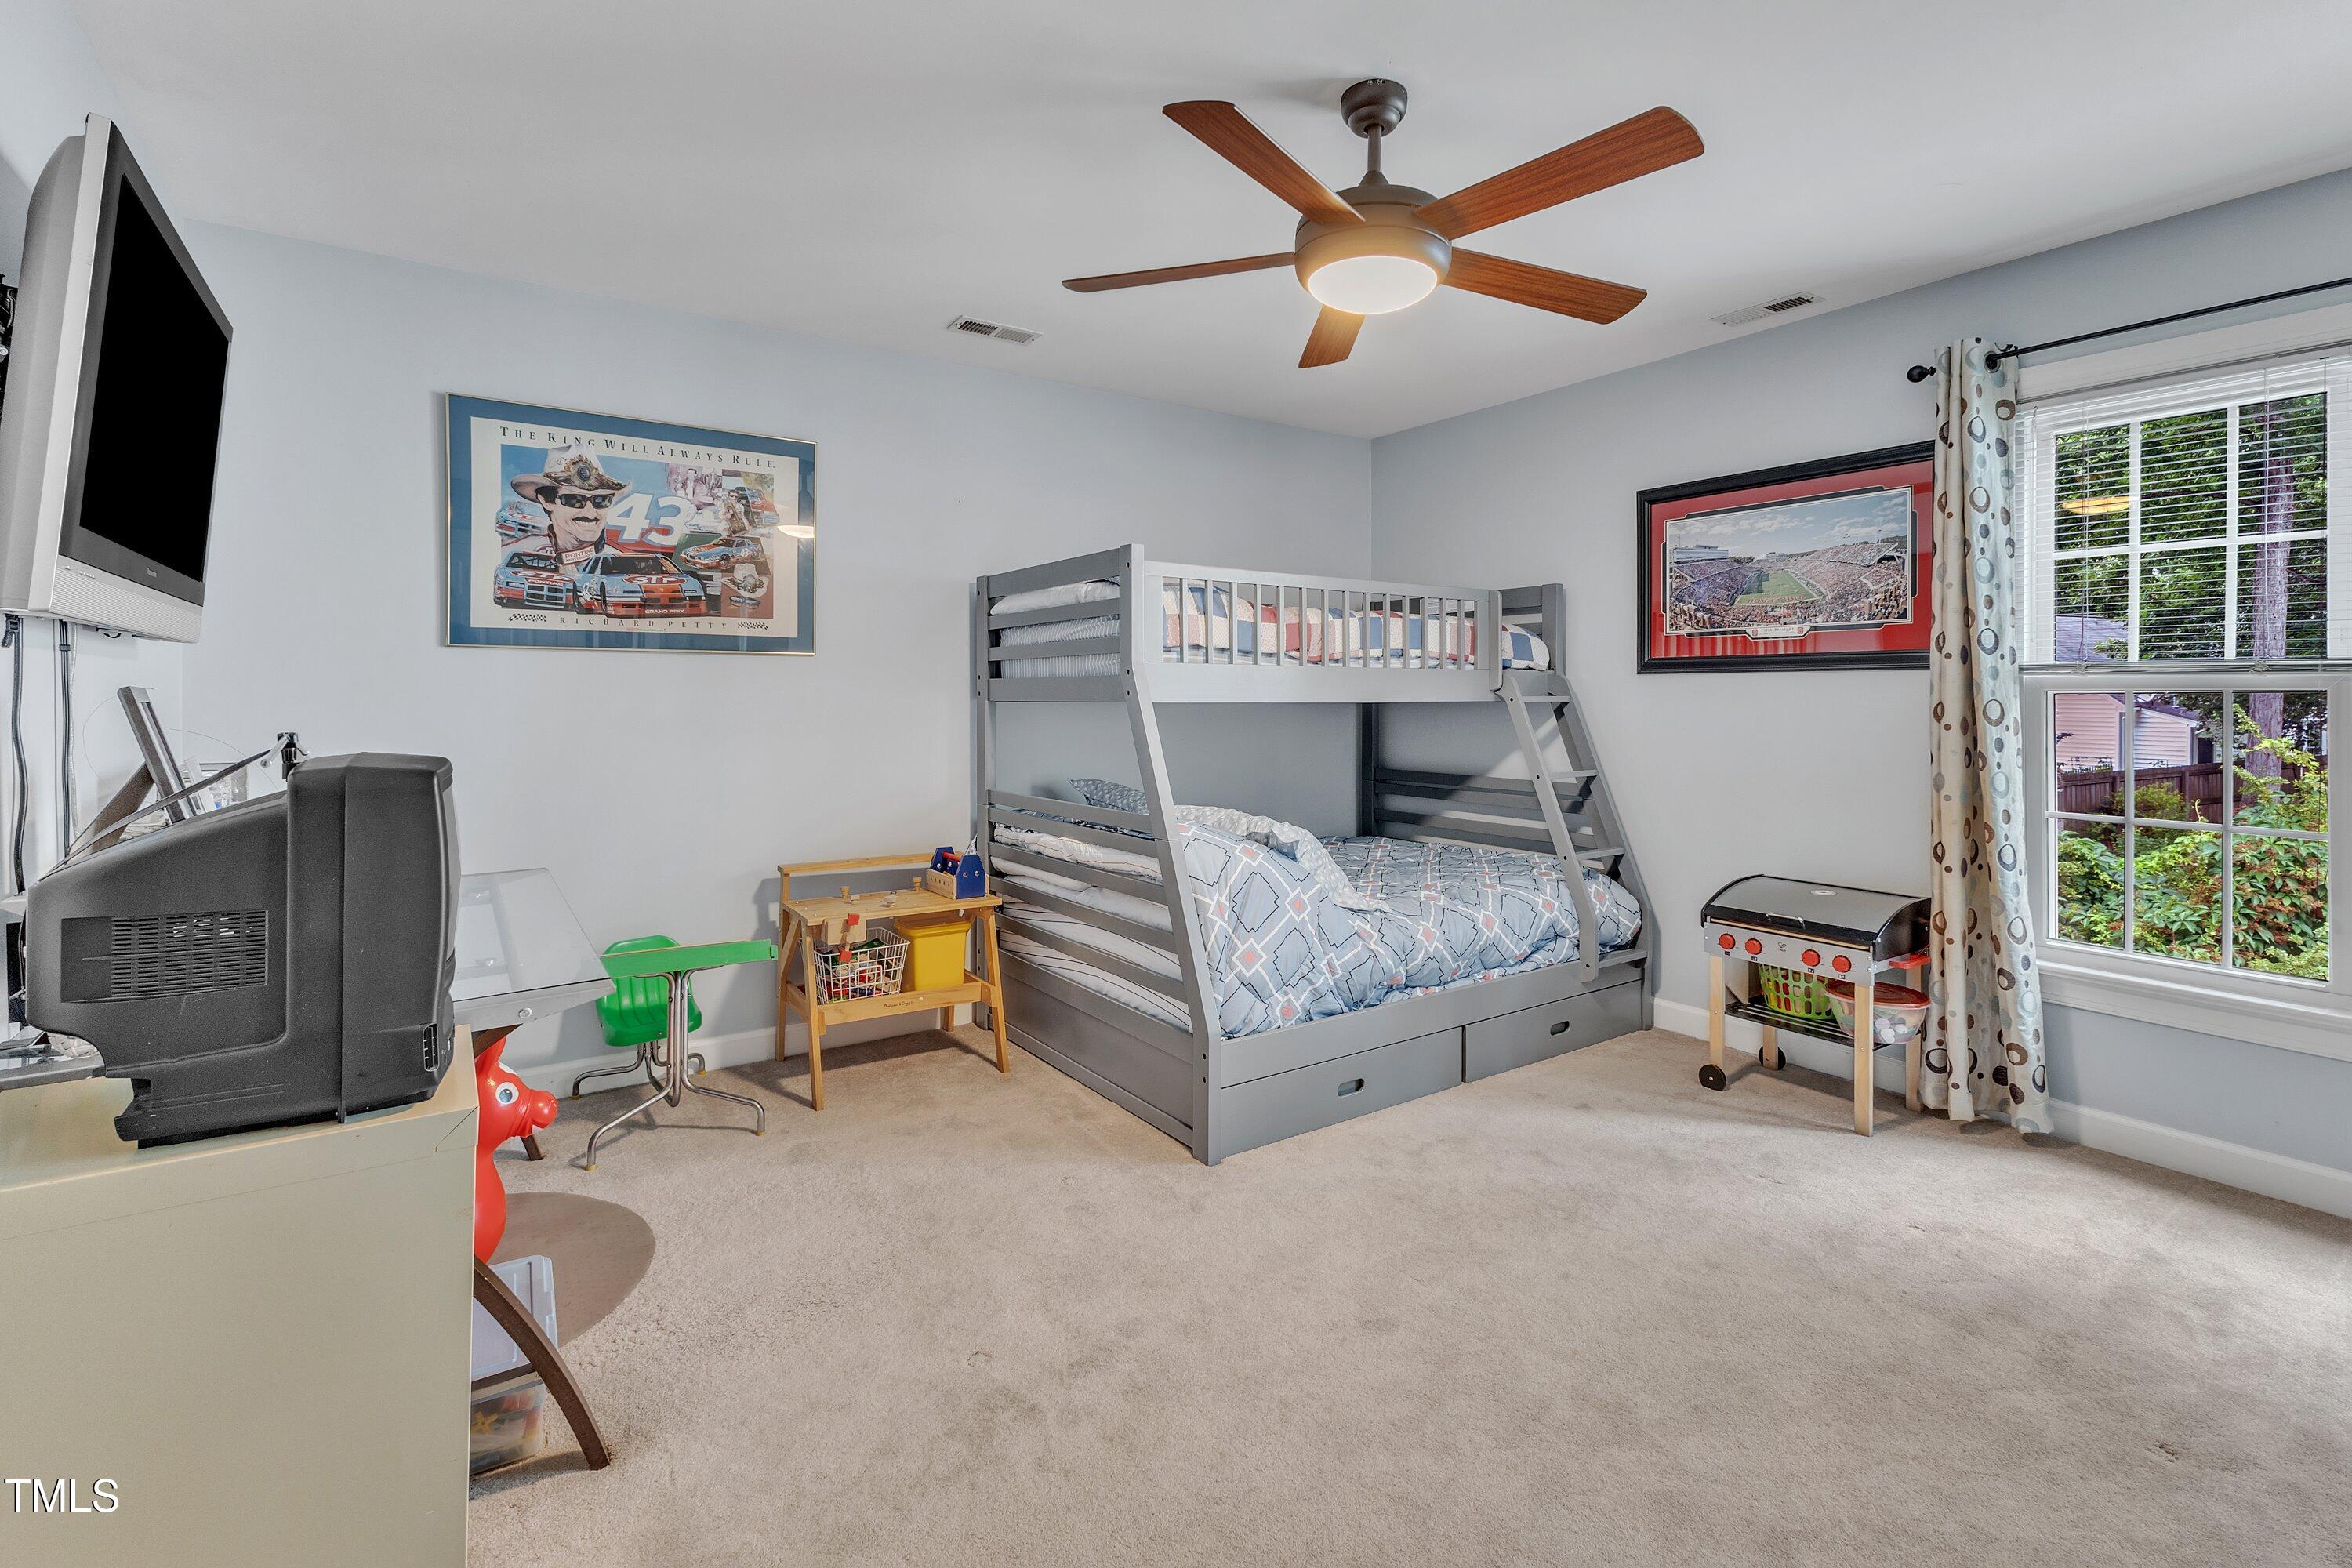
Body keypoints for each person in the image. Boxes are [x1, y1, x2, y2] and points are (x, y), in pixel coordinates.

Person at [507, 443, 630, 571]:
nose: (590, 513)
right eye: (574, 500)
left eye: (601, 501)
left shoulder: (621, 561)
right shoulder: (518, 552)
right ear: (546, 501)